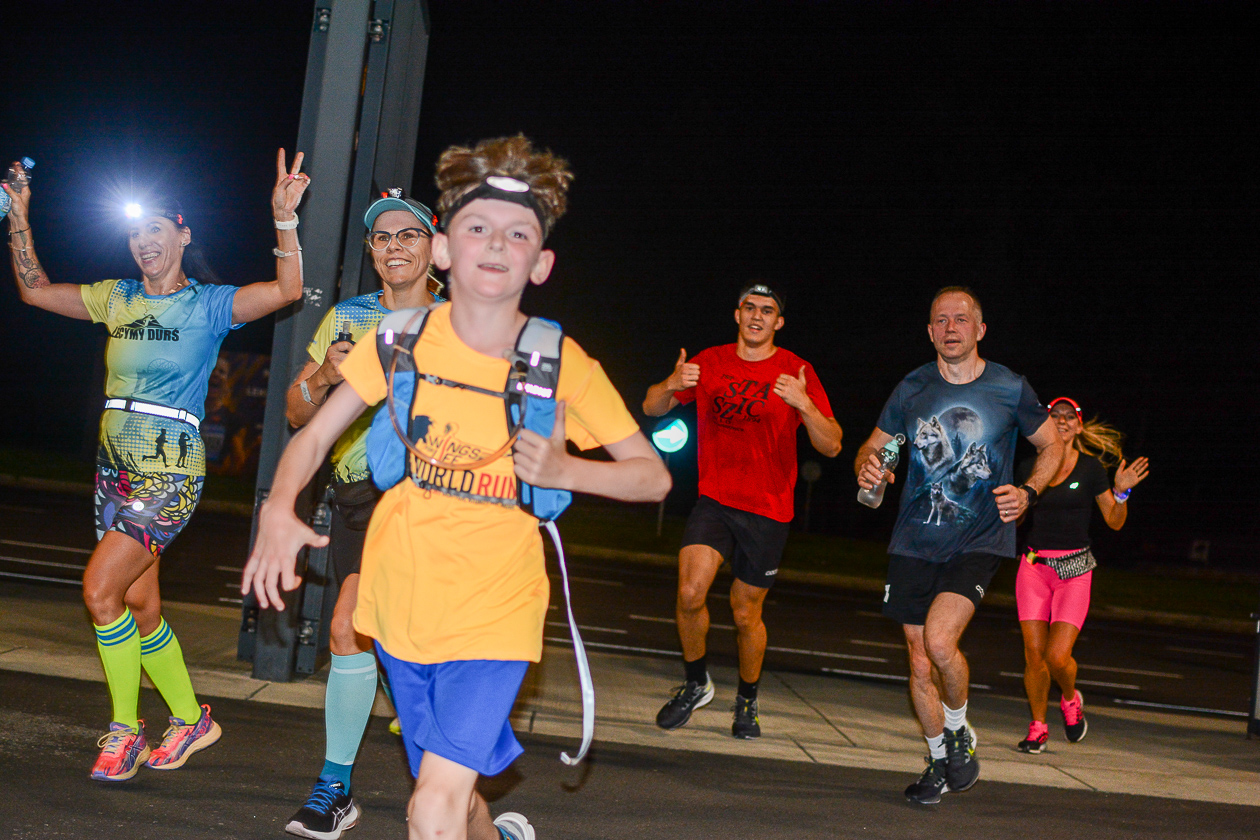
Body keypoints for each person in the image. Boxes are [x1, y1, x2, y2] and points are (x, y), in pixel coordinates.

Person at [242, 135, 671, 840]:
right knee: (449, 794)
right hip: (400, 606)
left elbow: (652, 476)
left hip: (497, 611)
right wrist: (280, 508)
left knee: (431, 808)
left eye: (518, 233)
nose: (496, 243)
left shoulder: (557, 361)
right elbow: (312, 434)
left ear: (541, 262)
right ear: (445, 250)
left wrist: (567, 471)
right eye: (477, 228)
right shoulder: (399, 341)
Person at [4, 150, 309, 781]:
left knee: (100, 591)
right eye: (135, 233)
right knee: (140, 606)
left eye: (156, 230)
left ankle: (124, 731)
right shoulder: (115, 297)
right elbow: (33, 290)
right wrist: (20, 216)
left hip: (169, 470)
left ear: (182, 235)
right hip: (113, 469)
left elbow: (287, 291)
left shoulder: (209, 304)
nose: (144, 242)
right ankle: (191, 719)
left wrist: (284, 219)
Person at [853, 286, 1063, 805]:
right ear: (930, 332)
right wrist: (868, 465)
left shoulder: (1009, 387)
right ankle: (936, 761)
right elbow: (874, 445)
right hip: (913, 539)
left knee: (940, 642)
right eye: (941, 320)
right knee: (919, 661)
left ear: (980, 329)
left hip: (979, 538)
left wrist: (1029, 491)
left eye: (961, 319)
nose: (951, 328)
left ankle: (957, 731)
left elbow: (1052, 445)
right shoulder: (912, 388)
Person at [281, 189, 442, 839]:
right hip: (357, 496)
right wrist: (323, 376)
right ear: (372, 251)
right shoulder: (347, 317)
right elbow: (296, 410)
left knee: (375, 635)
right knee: (352, 630)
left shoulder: (462, 321)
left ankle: (430, 789)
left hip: (433, 498)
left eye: (409, 235)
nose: (394, 246)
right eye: (382, 237)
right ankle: (341, 787)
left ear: (434, 248)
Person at [644, 283, 842, 739]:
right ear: (737, 314)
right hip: (715, 499)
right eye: (750, 308)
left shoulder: (797, 371)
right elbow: (652, 407)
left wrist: (805, 405)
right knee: (689, 593)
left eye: (767, 310)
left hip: (768, 508)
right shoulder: (709, 362)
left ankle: (747, 700)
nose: (757, 316)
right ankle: (696, 683)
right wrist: (670, 384)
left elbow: (831, 444)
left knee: (745, 613)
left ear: (779, 322)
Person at [1014, 397, 1149, 753]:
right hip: (1033, 567)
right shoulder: (1029, 466)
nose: (1061, 421)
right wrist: (1012, 503)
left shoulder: (1090, 469)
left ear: (1079, 425)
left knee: (1057, 656)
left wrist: (1122, 492)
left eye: (1068, 416)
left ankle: (1071, 699)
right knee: (1034, 654)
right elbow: (1017, 518)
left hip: (1074, 571)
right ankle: (1038, 726)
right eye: (1054, 415)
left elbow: (1114, 522)